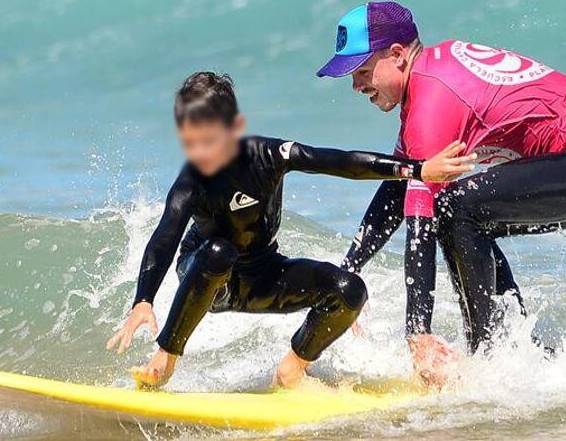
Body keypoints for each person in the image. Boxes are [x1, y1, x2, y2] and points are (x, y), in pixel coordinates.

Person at [316, 1, 566, 383]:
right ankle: (519, 352)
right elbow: (399, 187)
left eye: (362, 72)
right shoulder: (427, 81)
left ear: (397, 55)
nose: (357, 86)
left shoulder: (433, 97)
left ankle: (490, 358)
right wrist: (348, 273)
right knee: (460, 210)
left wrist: (417, 334)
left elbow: (419, 226)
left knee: (456, 208)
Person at [107, 71, 476, 388]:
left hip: (263, 276)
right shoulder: (192, 182)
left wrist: (417, 168)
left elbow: (339, 161)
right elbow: (166, 236)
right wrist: (144, 299)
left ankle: (292, 370)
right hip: (211, 280)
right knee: (220, 251)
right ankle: (166, 357)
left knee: (349, 290)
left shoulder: (270, 156)